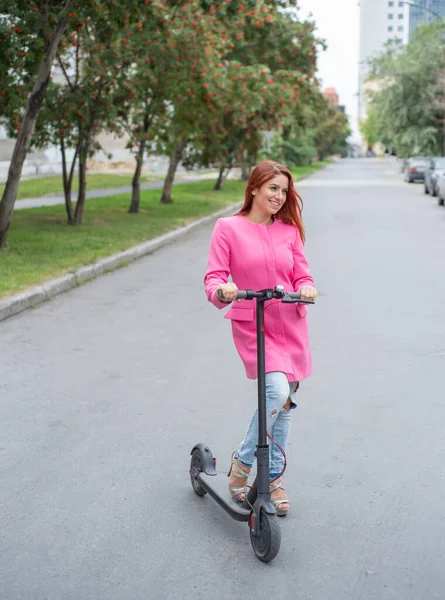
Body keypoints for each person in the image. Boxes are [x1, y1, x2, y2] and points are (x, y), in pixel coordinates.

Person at [204, 160, 317, 517]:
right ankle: (242, 463)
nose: (279, 197)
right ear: (254, 188)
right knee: (277, 393)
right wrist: (224, 290)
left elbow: (302, 273)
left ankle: (273, 478)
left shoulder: (288, 231)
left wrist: (307, 287)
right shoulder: (228, 228)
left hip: (291, 323)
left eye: (284, 191)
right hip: (254, 323)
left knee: (285, 408)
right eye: (273, 188)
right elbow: (214, 278)